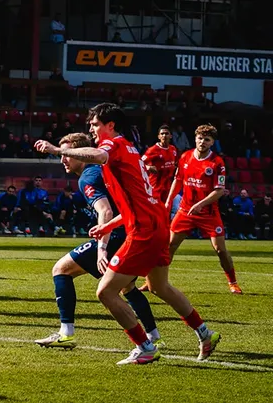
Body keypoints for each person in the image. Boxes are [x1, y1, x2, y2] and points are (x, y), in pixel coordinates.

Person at [34, 103, 220, 365]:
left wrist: (56, 149)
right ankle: (205, 332)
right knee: (159, 286)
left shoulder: (115, 146)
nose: (91, 128)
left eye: (96, 124)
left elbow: (98, 155)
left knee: (106, 292)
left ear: (111, 126)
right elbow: (133, 201)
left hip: (144, 229)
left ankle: (145, 345)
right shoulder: (130, 150)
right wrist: (107, 227)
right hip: (155, 221)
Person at [35, 133, 162, 350]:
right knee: (128, 287)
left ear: (82, 154)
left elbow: (105, 211)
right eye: (62, 154)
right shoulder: (101, 169)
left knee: (61, 269)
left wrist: (102, 248)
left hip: (116, 235)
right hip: (135, 231)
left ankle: (66, 333)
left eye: (67, 154)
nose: (63, 159)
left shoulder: (88, 177)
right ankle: (153, 334)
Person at [161, 124, 241, 294]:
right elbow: (178, 180)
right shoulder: (185, 157)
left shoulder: (217, 162)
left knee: (220, 250)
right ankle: (156, 281)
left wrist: (200, 205)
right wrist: (168, 201)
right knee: (169, 246)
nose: (202, 142)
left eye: (207, 139)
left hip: (208, 213)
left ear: (212, 142)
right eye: (200, 138)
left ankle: (232, 282)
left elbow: (219, 191)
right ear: (195, 138)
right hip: (185, 211)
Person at [141, 125, 179, 206]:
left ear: (171, 136)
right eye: (162, 134)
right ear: (158, 136)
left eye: (166, 133)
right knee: (155, 210)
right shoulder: (152, 150)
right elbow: (139, 163)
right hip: (155, 187)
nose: (164, 136)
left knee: (166, 210)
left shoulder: (173, 149)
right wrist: (148, 167)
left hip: (168, 186)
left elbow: (175, 163)